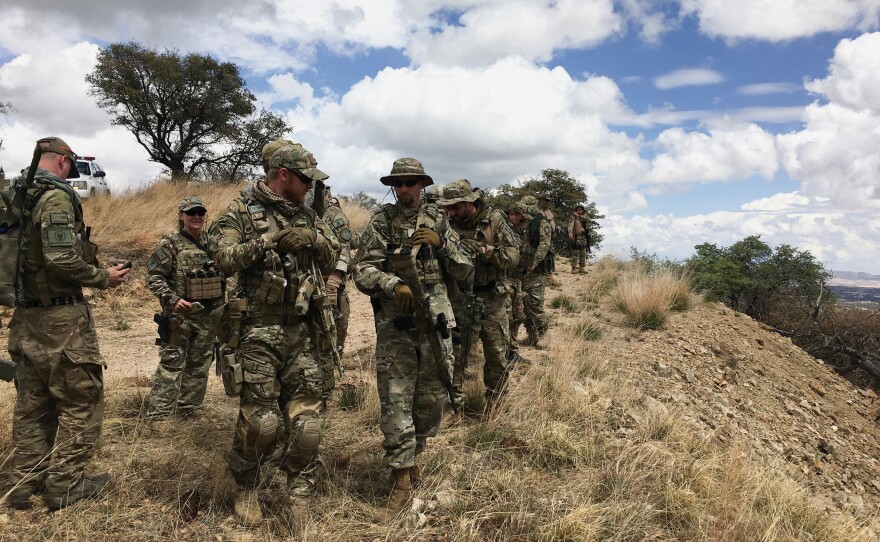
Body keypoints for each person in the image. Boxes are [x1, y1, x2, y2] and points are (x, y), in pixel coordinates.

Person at [208, 144, 340, 527]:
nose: (310, 186)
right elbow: (221, 257)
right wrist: (268, 241)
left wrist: (314, 240)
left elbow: (337, 257)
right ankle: (247, 487)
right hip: (257, 331)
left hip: (304, 330)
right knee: (261, 422)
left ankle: (298, 494)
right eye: (305, 179)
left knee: (308, 423)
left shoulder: (310, 216)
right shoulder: (240, 211)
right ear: (283, 175)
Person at [7, 137, 130, 510]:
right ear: (63, 161)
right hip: (60, 318)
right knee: (81, 399)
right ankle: (65, 485)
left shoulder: (17, 198)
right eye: (71, 165)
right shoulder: (56, 198)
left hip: (25, 314)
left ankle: (22, 486)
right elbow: (61, 258)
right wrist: (101, 276)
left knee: (33, 402)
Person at [352, 158, 471, 522]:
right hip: (397, 325)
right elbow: (362, 270)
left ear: (422, 185)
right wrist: (392, 283)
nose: (404, 189)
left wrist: (444, 246)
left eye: (411, 183)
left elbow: (464, 269)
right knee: (396, 402)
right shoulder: (381, 222)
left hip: (436, 324)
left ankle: (414, 460)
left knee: (430, 400)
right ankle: (400, 483)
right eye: (398, 184)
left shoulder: (439, 221)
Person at [438, 179, 519, 413]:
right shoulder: (446, 223)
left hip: (491, 297)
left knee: (496, 354)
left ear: (470, 203)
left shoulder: (494, 220)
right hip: (456, 296)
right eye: (448, 207)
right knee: (453, 353)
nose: (450, 212)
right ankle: (453, 406)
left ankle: (495, 405)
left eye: (455, 207)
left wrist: (487, 252)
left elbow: (514, 256)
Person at [144, 197, 224, 419]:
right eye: (191, 213)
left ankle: (189, 411)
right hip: (180, 316)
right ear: (181, 216)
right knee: (171, 364)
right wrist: (173, 299)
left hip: (207, 316)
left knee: (199, 365)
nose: (196, 216)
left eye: (200, 212)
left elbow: (227, 271)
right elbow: (153, 277)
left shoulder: (214, 244)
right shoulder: (170, 244)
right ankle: (159, 415)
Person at [508, 198, 552, 347]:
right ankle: (532, 335)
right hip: (521, 268)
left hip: (537, 269)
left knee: (534, 303)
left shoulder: (542, 222)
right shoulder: (521, 223)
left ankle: (544, 334)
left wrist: (535, 262)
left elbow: (544, 245)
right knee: (523, 304)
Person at [320, 188, 353, 355]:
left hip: (332, 280)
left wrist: (335, 278)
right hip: (311, 279)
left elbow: (345, 247)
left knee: (339, 318)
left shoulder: (332, 215)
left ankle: (336, 353)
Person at [568, 203, 590, 274]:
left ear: (583, 210)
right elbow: (570, 225)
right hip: (576, 237)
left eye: (581, 209)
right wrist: (570, 233)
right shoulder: (573, 217)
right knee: (575, 253)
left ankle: (582, 268)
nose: (579, 210)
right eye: (578, 209)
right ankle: (573, 268)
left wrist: (579, 216)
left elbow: (588, 220)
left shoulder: (585, 217)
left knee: (583, 253)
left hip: (583, 237)